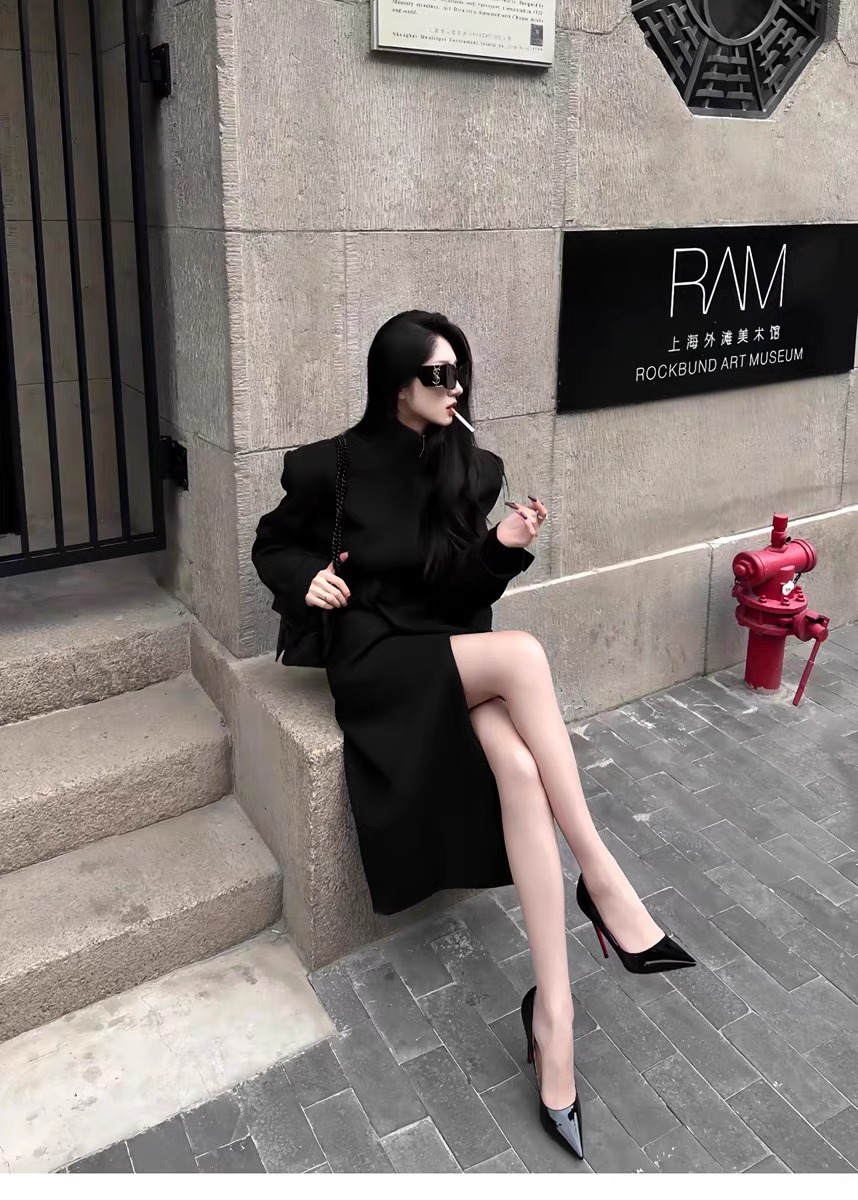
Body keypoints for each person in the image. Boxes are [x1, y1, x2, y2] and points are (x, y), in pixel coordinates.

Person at [252, 310, 695, 1160]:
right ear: (397, 383)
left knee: (521, 773)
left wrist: (502, 546)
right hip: (377, 659)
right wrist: (306, 578)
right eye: (438, 375)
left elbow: (459, 590)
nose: (455, 388)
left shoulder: (473, 467)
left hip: (446, 649)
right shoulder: (328, 466)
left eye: (459, 373)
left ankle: (554, 1016)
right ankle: (603, 878)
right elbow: (272, 546)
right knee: (523, 655)